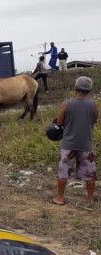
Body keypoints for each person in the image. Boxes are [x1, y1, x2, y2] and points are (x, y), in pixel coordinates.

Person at [52, 76, 98, 209]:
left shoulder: (66, 103)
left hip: (68, 144)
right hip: (86, 144)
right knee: (90, 174)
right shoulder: (94, 104)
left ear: (75, 87)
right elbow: (94, 121)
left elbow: (59, 122)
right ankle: (90, 201)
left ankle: (60, 198)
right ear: (89, 89)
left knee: (63, 171)